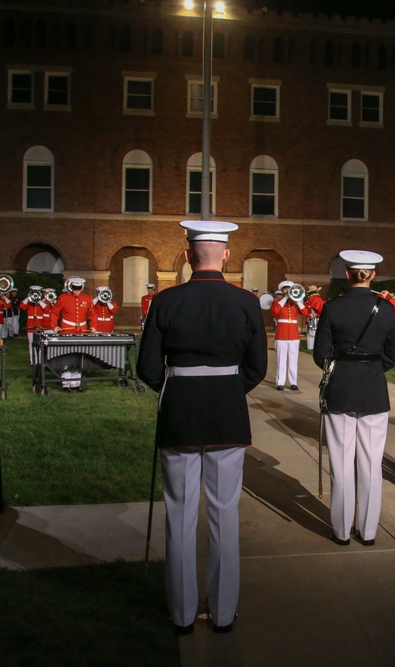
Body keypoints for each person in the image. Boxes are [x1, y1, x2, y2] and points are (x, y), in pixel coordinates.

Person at [137, 220, 267, 635]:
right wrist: (228, 388)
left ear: (190, 255)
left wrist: (177, 388)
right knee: (224, 515)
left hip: (180, 411)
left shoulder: (166, 301)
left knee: (179, 514)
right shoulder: (246, 302)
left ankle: (181, 614)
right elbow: (257, 368)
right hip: (227, 413)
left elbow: (146, 367)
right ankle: (224, 613)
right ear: (226, 255)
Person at [312, 250, 395, 546]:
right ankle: (368, 531)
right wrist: (371, 369)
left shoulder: (332, 308)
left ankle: (341, 531)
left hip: (341, 388)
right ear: (373, 275)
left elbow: (320, 354)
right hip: (374, 389)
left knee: (341, 463)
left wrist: (344, 367)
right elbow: (391, 356)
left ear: (348, 274)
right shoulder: (387, 309)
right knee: (371, 465)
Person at [49, 276, 92, 390]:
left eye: (78, 288)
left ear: (82, 288)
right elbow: (54, 313)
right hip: (67, 329)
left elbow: (93, 314)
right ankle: (65, 382)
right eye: (74, 288)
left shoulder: (87, 299)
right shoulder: (63, 298)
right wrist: (55, 326)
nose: (76, 291)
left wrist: (93, 326)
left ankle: (75, 383)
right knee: (67, 355)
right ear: (71, 287)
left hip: (82, 330)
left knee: (79, 355)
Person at [270, 280, 309, 391]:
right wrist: (285, 298)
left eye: (289, 289)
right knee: (281, 359)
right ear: (282, 291)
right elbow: (274, 312)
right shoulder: (277, 302)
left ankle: (293, 382)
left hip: (293, 335)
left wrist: (297, 301)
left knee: (293, 359)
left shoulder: (295, 304)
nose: (287, 290)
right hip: (281, 334)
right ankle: (280, 382)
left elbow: (305, 312)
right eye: (285, 289)